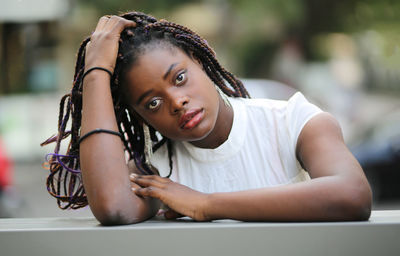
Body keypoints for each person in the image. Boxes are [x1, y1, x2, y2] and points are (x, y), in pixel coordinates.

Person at [41, 11, 372, 225]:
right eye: (152, 103)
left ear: (200, 61)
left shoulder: (292, 121)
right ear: (142, 118)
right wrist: (96, 72)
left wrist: (206, 204)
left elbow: (352, 194)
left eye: (180, 78)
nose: (176, 101)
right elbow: (113, 207)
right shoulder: (160, 170)